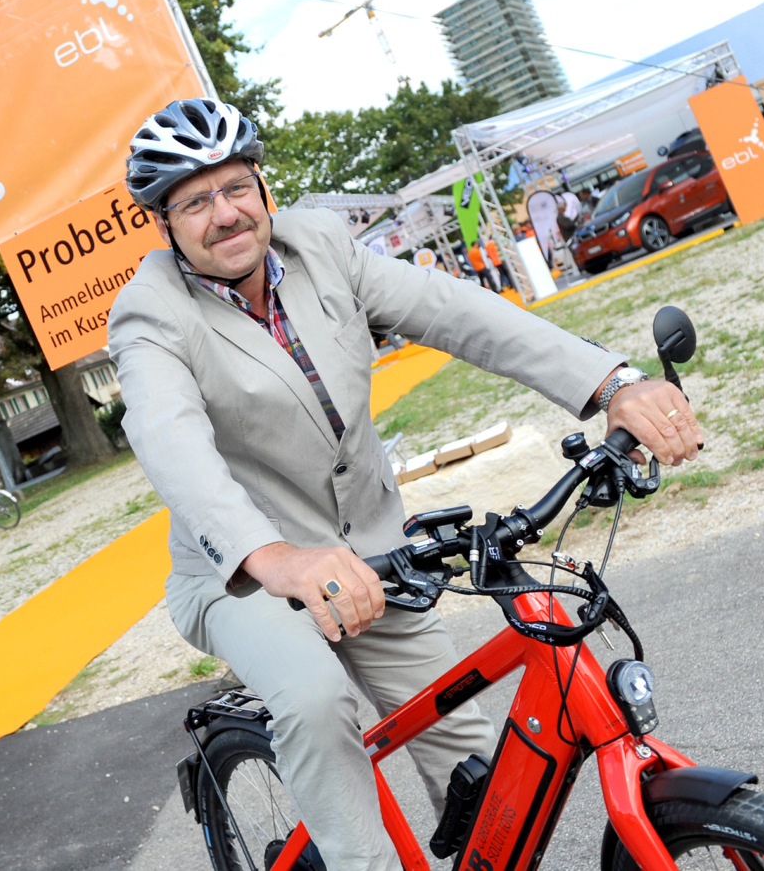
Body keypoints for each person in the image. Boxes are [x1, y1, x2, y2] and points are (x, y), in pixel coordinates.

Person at [109, 98, 701, 871]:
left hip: (376, 557)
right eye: (194, 202)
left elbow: (460, 314)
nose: (225, 214)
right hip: (247, 580)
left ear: (262, 186)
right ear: (164, 222)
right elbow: (173, 447)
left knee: (481, 768)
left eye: (236, 188)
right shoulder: (149, 314)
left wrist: (611, 383)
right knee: (318, 709)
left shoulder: (320, 245)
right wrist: (281, 560)